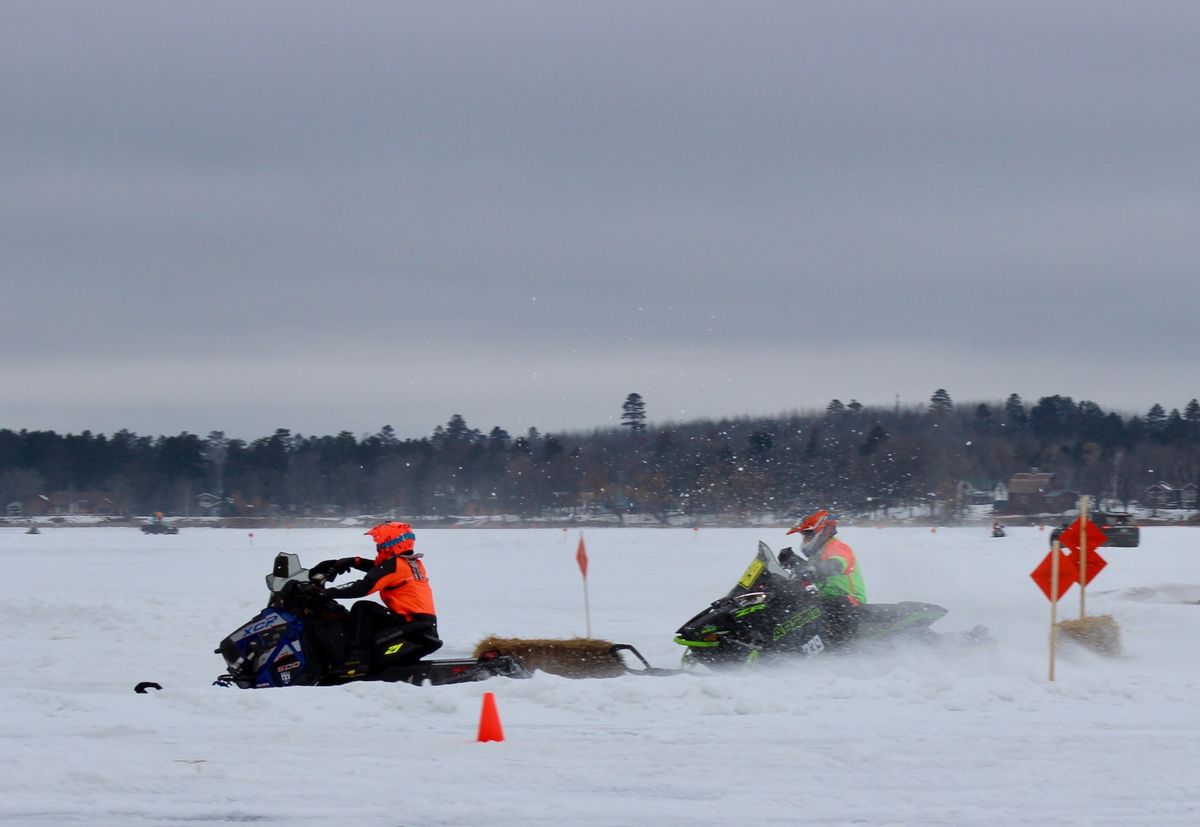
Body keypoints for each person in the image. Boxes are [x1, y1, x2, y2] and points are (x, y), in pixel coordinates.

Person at [317, 522, 441, 677]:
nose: (379, 549)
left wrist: (325, 593)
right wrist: (354, 562)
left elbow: (364, 587)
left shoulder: (395, 565)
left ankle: (357, 661)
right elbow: (379, 570)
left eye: (380, 545)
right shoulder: (412, 563)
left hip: (410, 623)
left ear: (391, 544)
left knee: (363, 609)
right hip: (423, 625)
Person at [778, 509, 866, 645]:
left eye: (807, 534)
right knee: (795, 604)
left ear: (819, 532)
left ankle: (839, 646)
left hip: (850, 602)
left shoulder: (837, 547)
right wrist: (791, 567)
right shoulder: (817, 554)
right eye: (803, 535)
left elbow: (835, 564)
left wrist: (809, 570)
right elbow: (808, 575)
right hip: (827, 598)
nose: (805, 539)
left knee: (834, 606)